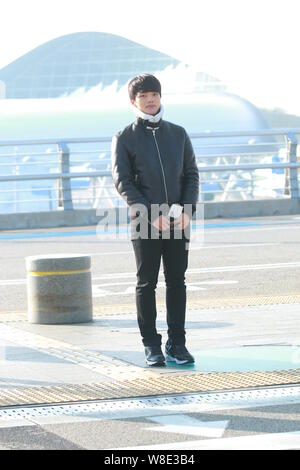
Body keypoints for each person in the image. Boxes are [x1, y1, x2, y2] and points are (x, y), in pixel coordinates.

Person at [111, 74, 199, 366]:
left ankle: (177, 343)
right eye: (143, 96)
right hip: (144, 221)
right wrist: (151, 214)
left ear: (161, 97)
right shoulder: (125, 137)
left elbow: (191, 176)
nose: (150, 100)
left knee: (177, 282)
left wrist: (187, 210)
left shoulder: (178, 133)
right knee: (146, 283)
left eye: (154, 94)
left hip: (178, 221)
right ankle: (152, 345)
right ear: (133, 101)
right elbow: (123, 182)